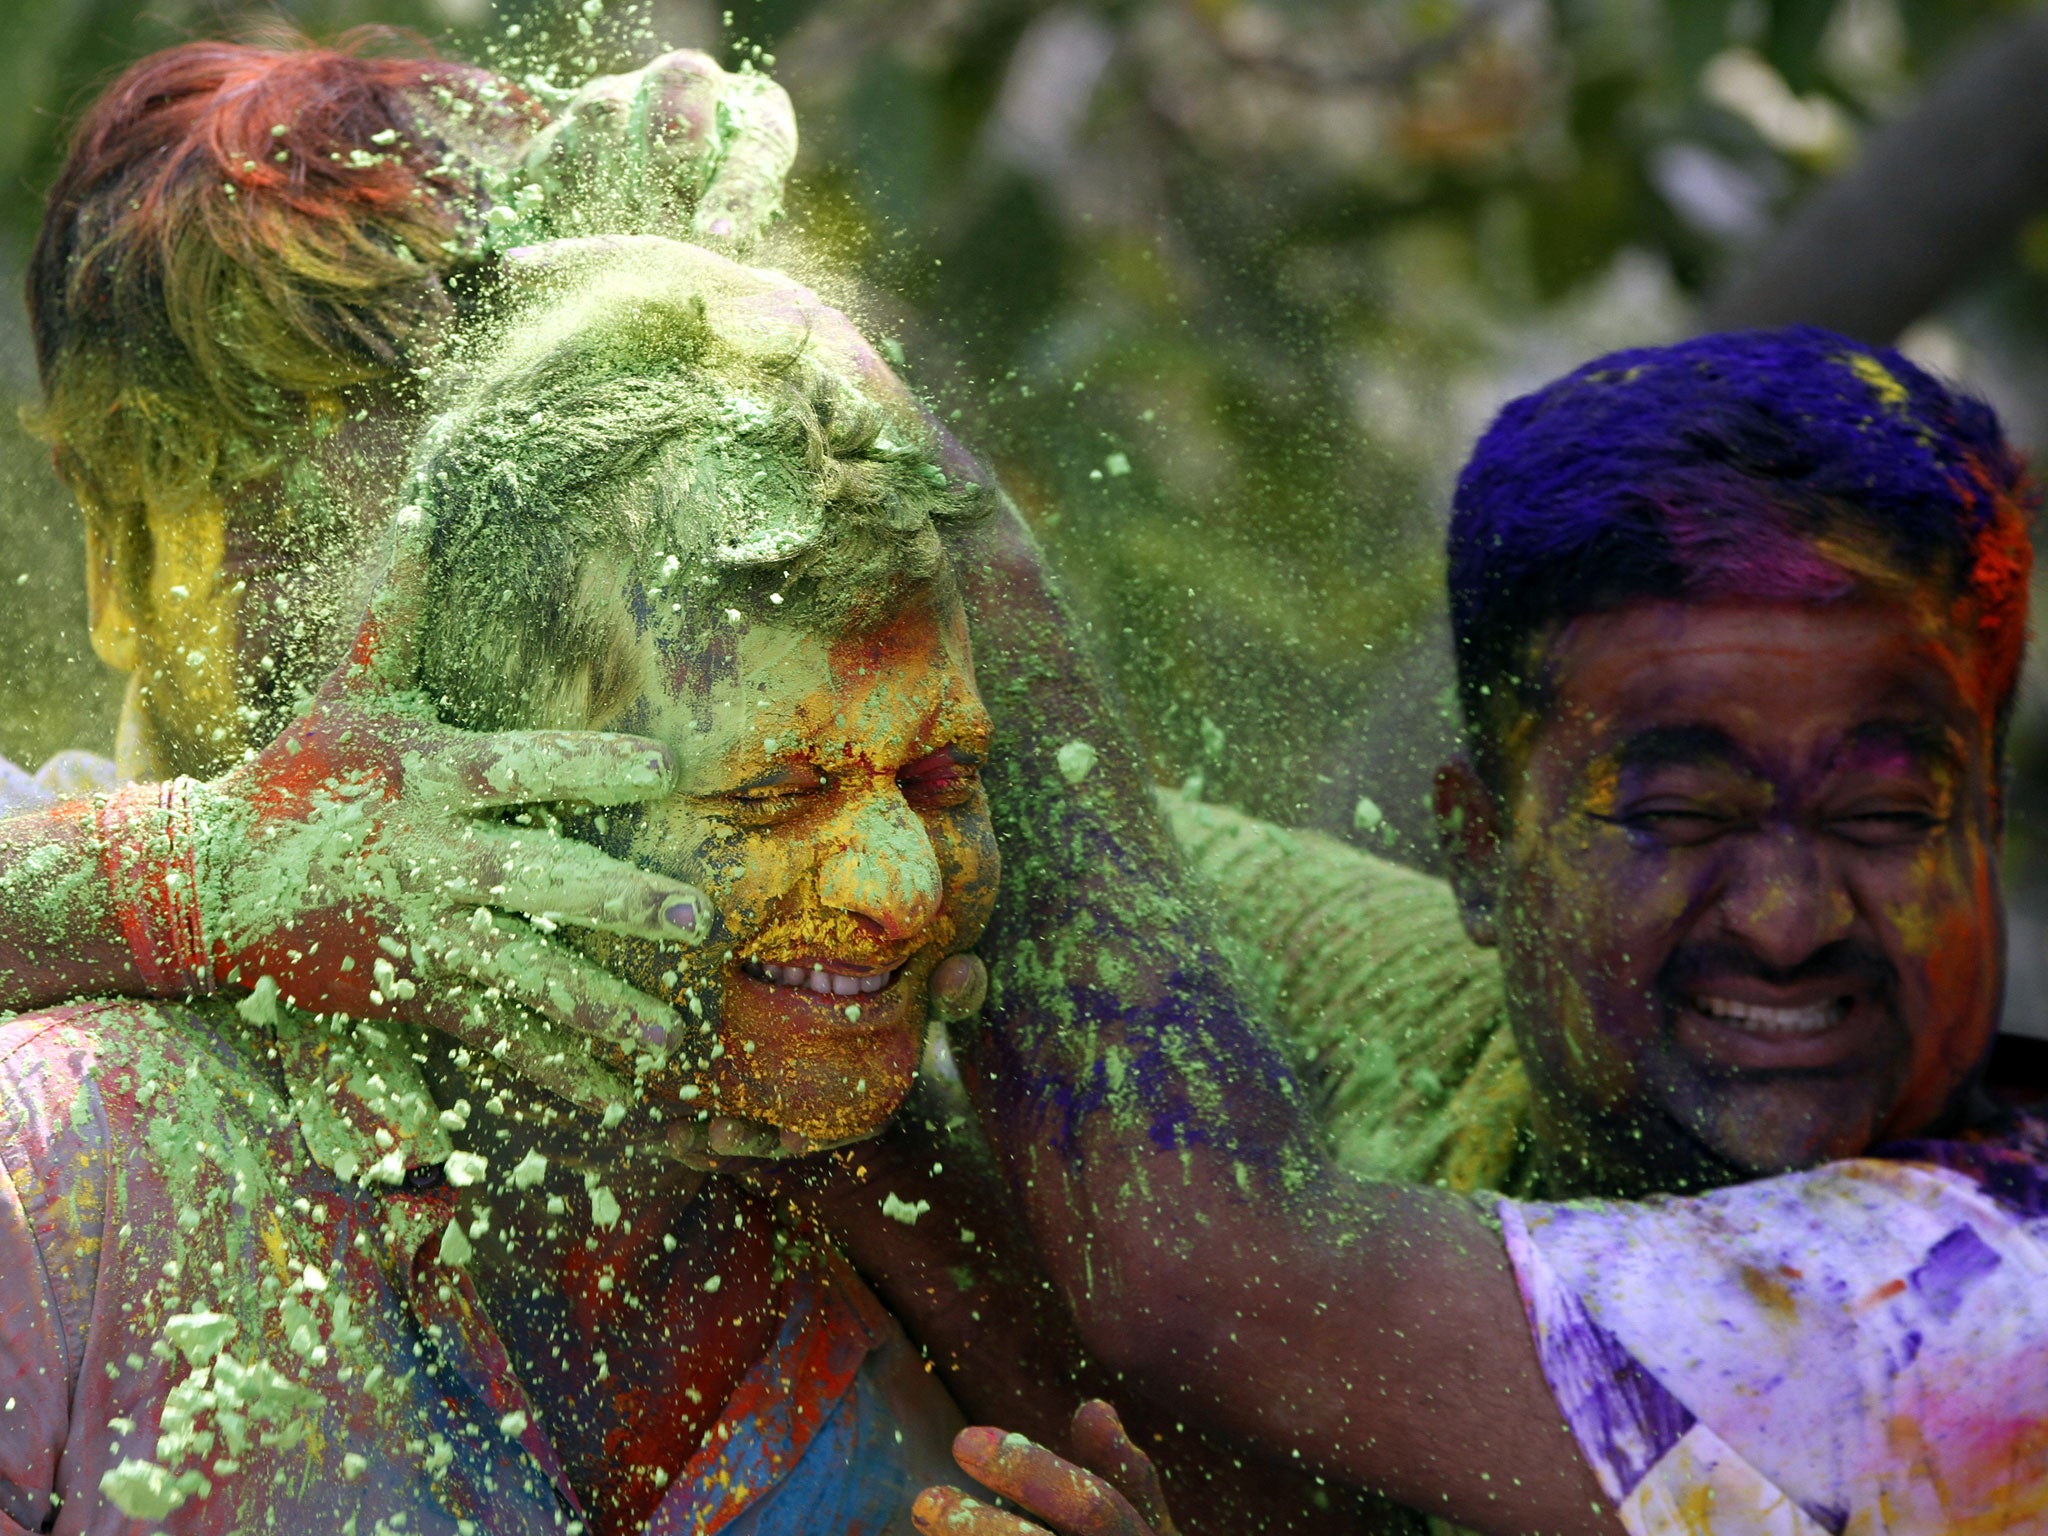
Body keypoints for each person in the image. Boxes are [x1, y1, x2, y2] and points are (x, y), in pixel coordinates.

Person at [932, 328, 2048, 1536]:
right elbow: (1122, 871)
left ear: (1983, 821)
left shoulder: (1987, 1311)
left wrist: (948, 537)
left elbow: (1202, 1267)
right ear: (1478, 852)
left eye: (1883, 816)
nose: (1787, 920)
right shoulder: (1492, 1044)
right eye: (1678, 815)